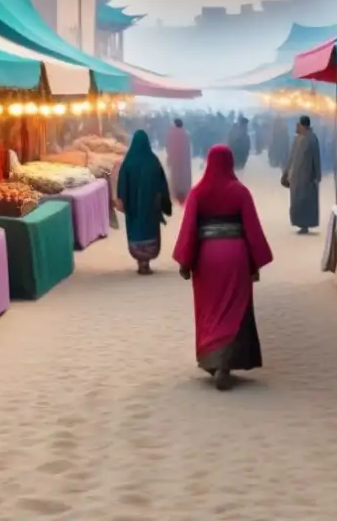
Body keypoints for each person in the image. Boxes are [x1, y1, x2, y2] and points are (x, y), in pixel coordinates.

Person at [173, 145, 273, 391]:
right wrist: (254, 262)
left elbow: (188, 230)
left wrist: (186, 261)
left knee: (210, 310)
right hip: (235, 255)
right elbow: (252, 229)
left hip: (207, 258)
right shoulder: (240, 192)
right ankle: (226, 365)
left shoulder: (198, 193)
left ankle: (213, 360)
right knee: (234, 308)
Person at [116, 130, 173, 275]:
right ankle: (146, 261)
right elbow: (162, 184)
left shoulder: (128, 162)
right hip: (150, 208)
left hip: (133, 209)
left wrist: (122, 199)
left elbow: (122, 183)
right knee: (149, 230)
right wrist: (164, 202)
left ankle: (140, 260)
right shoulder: (153, 161)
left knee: (135, 231)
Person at [282, 115, 321, 234]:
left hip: (307, 177)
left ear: (303, 125)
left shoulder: (312, 139)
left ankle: (305, 225)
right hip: (295, 178)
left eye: (298, 124)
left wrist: (317, 176)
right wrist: (286, 173)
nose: (296, 126)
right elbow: (291, 158)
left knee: (306, 202)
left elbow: (316, 159)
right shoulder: (297, 139)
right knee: (296, 202)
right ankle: (299, 223)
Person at [166, 118, 193, 204]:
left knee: (175, 176)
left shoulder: (171, 134)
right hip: (183, 160)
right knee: (183, 176)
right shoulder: (186, 134)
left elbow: (169, 147)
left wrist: (169, 158)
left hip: (175, 159)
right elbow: (188, 149)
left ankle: (175, 193)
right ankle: (184, 192)